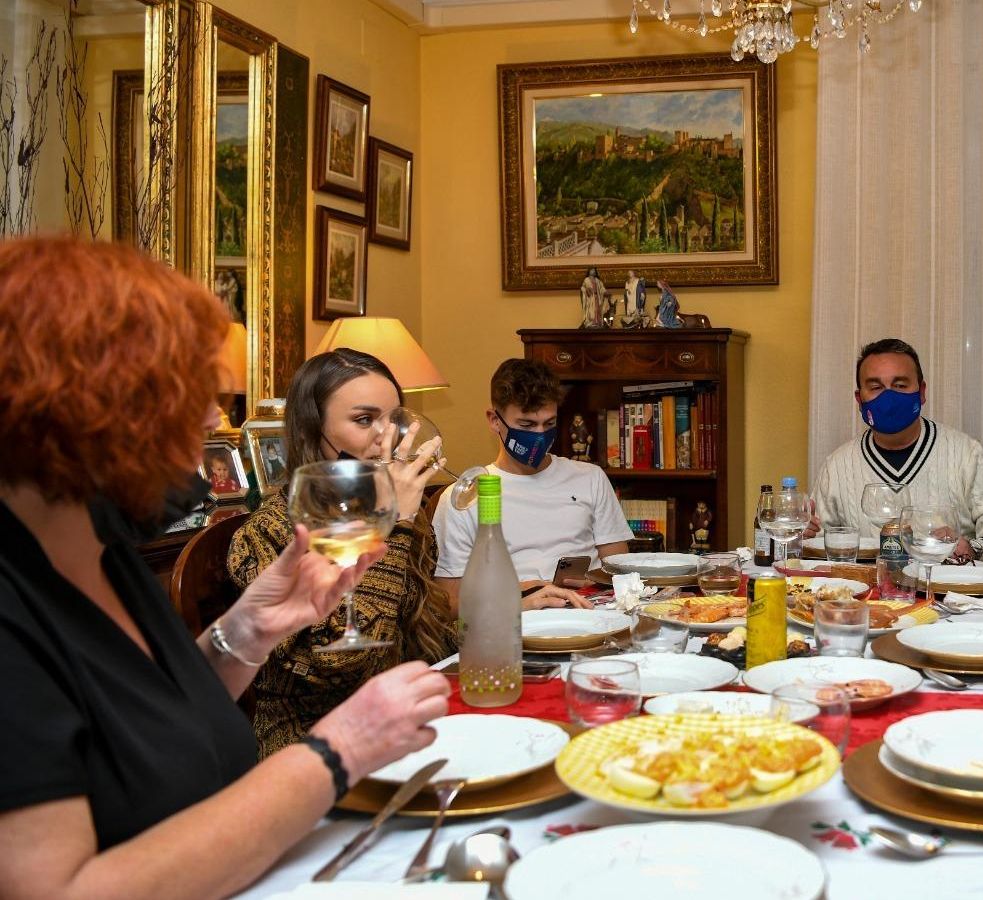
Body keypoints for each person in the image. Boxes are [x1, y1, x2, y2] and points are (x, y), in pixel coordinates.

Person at [0, 236, 448, 897]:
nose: (216, 418)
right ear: (88, 406)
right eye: (188, 393)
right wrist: (336, 752)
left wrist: (246, 633)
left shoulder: (104, 548)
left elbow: (154, 724)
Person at [226, 353, 581, 756]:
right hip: (316, 741)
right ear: (312, 430)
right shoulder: (270, 533)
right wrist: (396, 524)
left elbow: (420, 634)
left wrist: (504, 617)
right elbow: (344, 668)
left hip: (409, 713)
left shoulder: (393, 513)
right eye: (363, 420)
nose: (389, 439)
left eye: (393, 421)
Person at [807, 338, 983, 566]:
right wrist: (805, 537)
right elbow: (822, 543)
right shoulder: (837, 466)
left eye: (900, 385)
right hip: (868, 597)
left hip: (949, 594)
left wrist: (973, 548)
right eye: (875, 387)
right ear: (859, 400)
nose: (888, 399)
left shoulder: (966, 454)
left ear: (921, 392)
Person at [434, 358, 629, 599]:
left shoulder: (590, 477)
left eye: (549, 423)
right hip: (512, 623)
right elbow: (447, 602)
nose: (540, 435)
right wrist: (518, 595)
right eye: (526, 425)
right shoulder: (464, 497)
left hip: (586, 612)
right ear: (495, 420)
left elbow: (620, 570)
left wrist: (591, 582)